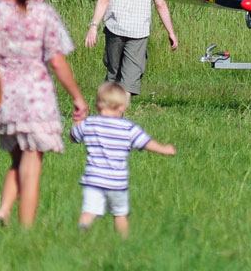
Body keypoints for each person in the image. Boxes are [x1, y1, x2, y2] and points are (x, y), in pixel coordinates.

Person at [0, 0, 88, 227]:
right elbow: (57, 62)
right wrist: (77, 98)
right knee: (32, 162)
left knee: (17, 157)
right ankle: (26, 232)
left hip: (3, 98)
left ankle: (3, 210)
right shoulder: (43, 14)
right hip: (35, 99)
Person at [71, 82, 176, 238]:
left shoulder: (90, 124)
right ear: (123, 107)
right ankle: (124, 241)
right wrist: (164, 149)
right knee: (120, 215)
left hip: (93, 181)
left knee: (89, 211)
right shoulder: (128, 128)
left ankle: (81, 231)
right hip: (117, 183)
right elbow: (145, 143)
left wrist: (78, 120)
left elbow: (74, 136)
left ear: (98, 106)